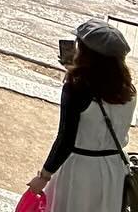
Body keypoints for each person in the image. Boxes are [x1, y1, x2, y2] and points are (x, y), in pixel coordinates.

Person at [28, 19, 135, 210]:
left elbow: (65, 139)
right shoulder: (128, 90)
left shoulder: (75, 89)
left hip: (79, 170)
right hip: (113, 170)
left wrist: (43, 176)